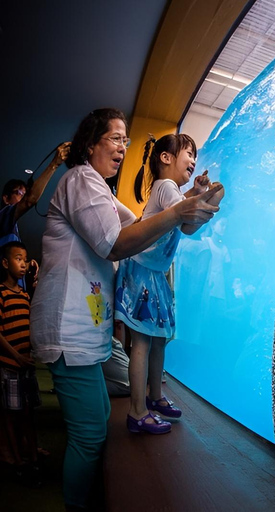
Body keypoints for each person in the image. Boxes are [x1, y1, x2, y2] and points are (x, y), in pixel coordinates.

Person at [29, 108, 221, 511]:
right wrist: (178, 211)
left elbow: (140, 224)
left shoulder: (99, 189)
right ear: (89, 143)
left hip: (86, 333)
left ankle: (137, 413)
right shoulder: (80, 179)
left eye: (125, 140)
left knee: (99, 413)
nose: (122, 147)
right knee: (89, 435)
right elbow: (115, 244)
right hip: (68, 331)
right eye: (116, 138)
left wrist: (188, 202)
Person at [114, 133, 224, 435]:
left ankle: (155, 396)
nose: (193, 160)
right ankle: (137, 411)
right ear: (166, 158)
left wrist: (196, 192)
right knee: (142, 342)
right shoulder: (165, 186)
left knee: (158, 338)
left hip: (153, 273)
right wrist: (207, 200)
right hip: (143, 271)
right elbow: (187, 223)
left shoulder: (171, 190)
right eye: (188, 153)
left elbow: (183, 212)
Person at [0, 142, 70, 293]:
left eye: (24, 194)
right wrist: (54, 164)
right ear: (5, 198)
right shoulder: (3, 217)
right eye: (19, 193)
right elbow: (30, 201)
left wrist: (27, 267)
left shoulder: (12, 232)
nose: (23, 197)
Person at [0, 241, 42, 487]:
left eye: (25, 260)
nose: (23, 264)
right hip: (10, 367)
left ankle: (33, 458)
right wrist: (16, 356)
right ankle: (17, 461)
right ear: (5, 263)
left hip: (27, 368)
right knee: (10, 415)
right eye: (18, 259)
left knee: (28, 414)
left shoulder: (25, 295)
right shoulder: (1, 294)